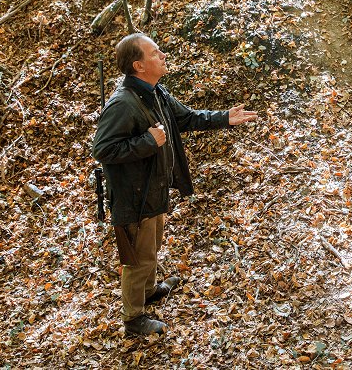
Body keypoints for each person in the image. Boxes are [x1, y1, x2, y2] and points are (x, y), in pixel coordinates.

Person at [93, 33, 257, 335]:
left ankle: (150, 289)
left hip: (152, 189)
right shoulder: (123, 104)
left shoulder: (155, 92)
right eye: (156, 53)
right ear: (139, 65)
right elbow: (103, 149)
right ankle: (133, 319)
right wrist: (146, 142)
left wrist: (224, 118)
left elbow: (186, 118)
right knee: (137, 257)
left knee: (151, 247)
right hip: (133, 196)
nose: (163, 55)